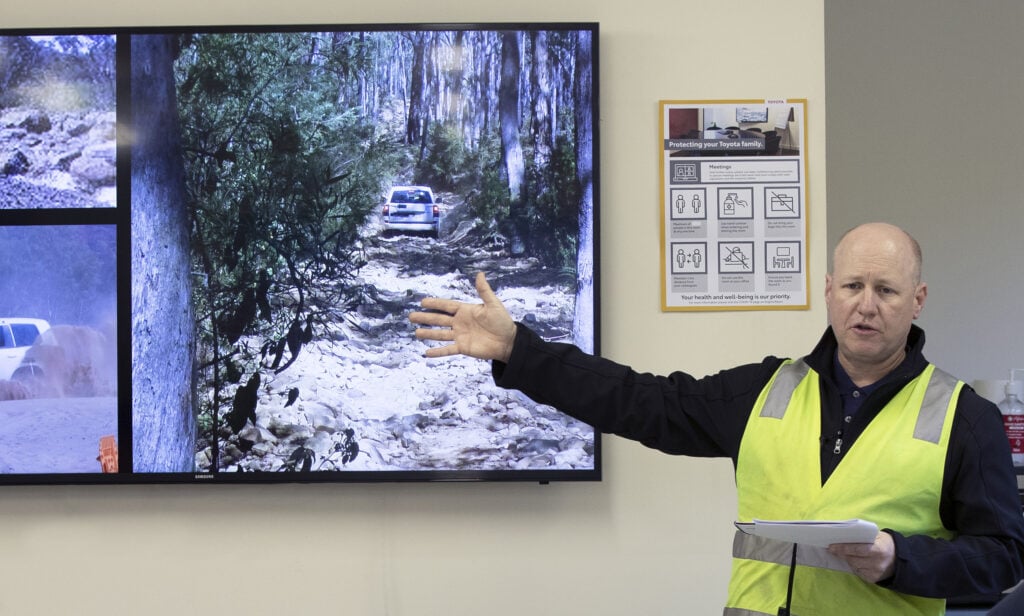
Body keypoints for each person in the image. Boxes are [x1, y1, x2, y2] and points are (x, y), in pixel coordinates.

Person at [409, 222, 1024, 615]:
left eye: (887, 290)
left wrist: (900, 560)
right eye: (854, 286)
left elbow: (1002, 559)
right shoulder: (766, 389)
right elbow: (638, 400)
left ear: (917, 299)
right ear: (830, 289)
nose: (867, 306)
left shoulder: (964, 417)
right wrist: (522, 350)